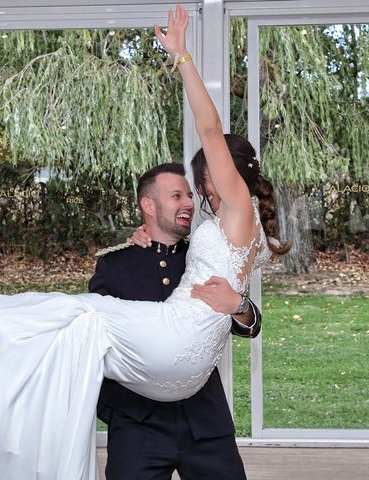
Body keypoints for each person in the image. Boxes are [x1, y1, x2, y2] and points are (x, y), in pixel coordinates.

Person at [0, 6, 288, 479]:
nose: (201, 194)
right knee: (68, 323)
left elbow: (207, 127)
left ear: (227, 176)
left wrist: (182, 57)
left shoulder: (236, 207)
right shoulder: (249, 233)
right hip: (179, 367)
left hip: (177, 348)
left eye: (201, 183)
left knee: (69, 311)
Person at [90, 162, 261, 480]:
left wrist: (239, 305)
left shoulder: (203, 252)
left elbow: (250, 324)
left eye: (188, 195)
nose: (188, 203)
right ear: (148, 205)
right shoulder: (115, 265)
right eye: (176, 195)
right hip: (139, 427)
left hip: (205, 421)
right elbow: (97, 340)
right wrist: (115, 413)